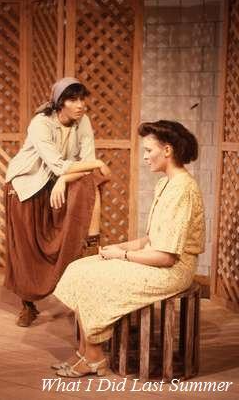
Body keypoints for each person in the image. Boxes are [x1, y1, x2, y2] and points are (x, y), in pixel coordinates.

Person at [52, 120, 205, 377]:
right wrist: (120, 246)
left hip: (172, 271)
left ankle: (94, 357)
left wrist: (121, 256)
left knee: (94, 276)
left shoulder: (183, 190)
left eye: (148, 150)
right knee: (80, 268)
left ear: (167, 151)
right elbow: (151, 239)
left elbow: (166, 257)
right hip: (157, 259)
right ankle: (84, 351)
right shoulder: (165, 184)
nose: (144, 157)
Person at [4, 77, 110, 327]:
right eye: (73, 99)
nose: (80, 104)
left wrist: (63, 181)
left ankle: (79, 297)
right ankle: (27, 305)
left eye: (83, 99)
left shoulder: (82, 122)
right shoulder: (40, 124)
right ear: (60, 102)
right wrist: (90, 165)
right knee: (26, 248)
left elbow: (83, 164)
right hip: (25, 187)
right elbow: (61, 164)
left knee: (88, 188)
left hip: (54, 185)